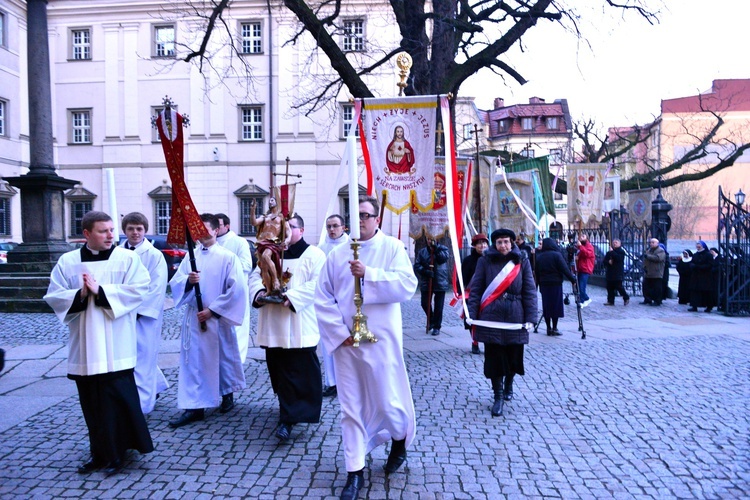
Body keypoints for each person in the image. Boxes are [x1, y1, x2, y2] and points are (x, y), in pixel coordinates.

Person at [315, 196, 418, 500]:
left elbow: (406, 285)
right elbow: (323, 297)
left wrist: (369, 274)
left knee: (388, 401)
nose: (360, 220)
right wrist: (338, 332)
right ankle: (354, 471)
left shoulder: (392, 248)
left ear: (377, 218)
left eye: (365, 215)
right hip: (346, 343)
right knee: (350, 408)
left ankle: (399, 438)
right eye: (355, 215)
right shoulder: (336, 255)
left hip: (382, 342)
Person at [44, 211, 153, 474]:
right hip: (85, 347)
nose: (111, 235)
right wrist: (79, 295)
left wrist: (101, 292)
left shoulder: (127, 258)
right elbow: (54, 295)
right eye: (103, 231)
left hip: (117, 345)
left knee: (116, 403)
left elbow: (140, 289)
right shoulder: (68, 262)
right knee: (92, 404)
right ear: (86, 234)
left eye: (112, 230)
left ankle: (118, 454)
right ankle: (99, 453)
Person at [249, 214, 325, 441]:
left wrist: (291, 297)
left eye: (290, 227)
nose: (286, 231)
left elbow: (319, 284)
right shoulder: (269, 252)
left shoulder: (314, 255)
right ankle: (286, 408)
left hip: (299, 321)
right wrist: (260, 292)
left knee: (299, 369)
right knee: (279, 369)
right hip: (273, 322)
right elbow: (255, 276)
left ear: (301, 230)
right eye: (283, 227)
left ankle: (290, 418)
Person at [168, 213, 248, 428]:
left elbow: (237, 289)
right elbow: (176, 281)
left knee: (222, 358)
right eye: (197, 231)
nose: (201, 234)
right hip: (195, 318)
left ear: (215, 230)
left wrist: (213, 311)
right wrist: (188, 281)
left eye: (205, 230)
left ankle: (227, 394)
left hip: (217, 319)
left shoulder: (227, 257)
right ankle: (195, 406)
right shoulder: (191, 256)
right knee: (194, 362)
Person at [467, 228, 537, 418]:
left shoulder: (521, 261)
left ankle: (509, 384)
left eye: (506, 242)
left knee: (513, 356)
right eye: (499, 242)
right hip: (492, 316)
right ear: (494, 244)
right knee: (495, 358)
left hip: (516, 315)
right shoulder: (485, 261)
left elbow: (529, 290)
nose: (503, 246)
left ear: (512, 242)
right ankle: (497, 396)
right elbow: (477, 289)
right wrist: (471, 316)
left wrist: (531, 318)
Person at [121, 212, 169, 415]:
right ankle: (156, 386)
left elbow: (157, 287)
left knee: (144, 356)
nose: (135, 233)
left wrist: (139, 311)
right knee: (130, 356)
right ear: (125, 231)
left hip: (143, 315)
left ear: (145, 231)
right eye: (131, 229)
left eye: (139, 229)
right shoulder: (118, 252)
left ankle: (143, 406)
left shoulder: (154, 255)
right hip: (122, 312)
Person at [215, 213, 255, 365]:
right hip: (216, 292)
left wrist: (225, 267)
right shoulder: (210, 243)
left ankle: (237, 361)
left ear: (227, 226)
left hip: (235, 291)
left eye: (218, 225)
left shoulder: (239, 242)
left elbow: (247, 265)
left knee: (236, 327)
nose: (216, 229)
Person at [318, 214, 350, 398]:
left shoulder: (351, 246)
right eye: (329, 226)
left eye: (335, 226)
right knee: (327, 342)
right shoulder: (321, 249)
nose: (331, 229)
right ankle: (332, 382)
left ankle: (347, 381)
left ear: (343, 227)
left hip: (345, 299)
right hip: (328, 300)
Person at [250, 197, 292, 297]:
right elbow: (254, 222)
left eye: (272, 200)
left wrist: (287, 240)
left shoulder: (282, 217)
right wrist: (252, 209)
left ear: (277, 202)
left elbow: (288, 231)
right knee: (264, 268)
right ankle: (269, 290)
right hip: (261, 242)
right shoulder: (265, 217)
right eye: (269, 200)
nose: (270, 201)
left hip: (273, 241)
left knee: (266, 256)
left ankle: (276, 281)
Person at [534, 238, 576, 335]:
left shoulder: (540, 257)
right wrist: (572, 280)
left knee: (547, 306)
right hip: (555, 283)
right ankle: (555, 328)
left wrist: (538, 285)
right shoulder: (557, 255)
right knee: (555, 306)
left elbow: (537, 272)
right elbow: (565, 269)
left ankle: (548, 328)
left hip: (544, 284)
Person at [413, 237, 450, 336]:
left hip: (440, 280)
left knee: (439, 306)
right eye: (428, 239)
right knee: (424, 303)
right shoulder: (422, 252)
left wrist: (436, 249)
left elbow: (442, 259)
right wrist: (425, 271)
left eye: (432, 239)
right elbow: (417, 265)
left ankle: (436, 326)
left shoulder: (443, 249)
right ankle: (431, 320)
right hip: (427, 280)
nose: (430, 241)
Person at [461, 233, 489, 354]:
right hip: (472, 294)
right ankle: (475, 342)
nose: (482, 246)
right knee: (473, 319)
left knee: (488, 319)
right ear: (474, 246)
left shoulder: (491, 259)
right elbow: (463, 278)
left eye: (484, 243)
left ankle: (489, 342)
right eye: (479, 244)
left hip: (488, 293)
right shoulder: (468, 261)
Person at [603, 239, 630, 306]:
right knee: (609, 287)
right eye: (613, 243)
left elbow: (618, 259)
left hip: (617, 272)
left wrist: (612, 252)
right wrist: (608, 262)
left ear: (619, 244)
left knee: (619, 287)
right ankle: (610, 301)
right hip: (610, 272)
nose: (614, 244)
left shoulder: (621, 251)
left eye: (616, 242)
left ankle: (626, 297)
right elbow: (604, 261)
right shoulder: (609, 252)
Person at [688, 241, 714, 312]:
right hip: (696, 276)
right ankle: (694, 306)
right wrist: (692, 266)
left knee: (706, 292)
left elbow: (710, 265)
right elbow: (692, 262)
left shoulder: (708, 255)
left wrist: (698, 267)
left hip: (705, 276)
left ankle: (709, 307)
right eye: (697, 246)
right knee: (695, 292)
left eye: (699, 246)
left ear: (703, 246)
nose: (698, 247)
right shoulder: (695, 254)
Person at [641, 238, 666, 306]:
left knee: (656, 288)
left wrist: (648, 256)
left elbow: (658, 258)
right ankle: (647, 299)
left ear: (657, 243)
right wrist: (644, 267)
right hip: (648, 272)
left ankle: (657, 301)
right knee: (646, 286)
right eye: (650, 242)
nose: (651, 244)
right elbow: (645, 260)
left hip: (656, 273)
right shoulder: (649, 250)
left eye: (653, 242)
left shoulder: (661, 251)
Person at [574, 233, 595, 307]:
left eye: (583, 236)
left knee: (581, 286)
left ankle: (585, 299)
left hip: (586, 269)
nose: (581, 237)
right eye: (580, 236)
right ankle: (582, 301)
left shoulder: (589, 246)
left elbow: (587, 254)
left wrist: (580, 246)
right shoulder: (581, 247)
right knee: (579, 286)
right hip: (581, 268)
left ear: (587, 238)